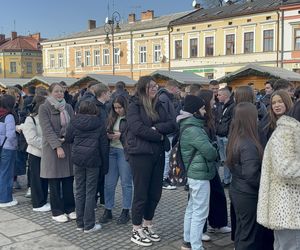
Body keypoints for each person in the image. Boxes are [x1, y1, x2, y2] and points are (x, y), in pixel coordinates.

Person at [126, 76, 176, 247]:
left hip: (158, 153)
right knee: (141, 193)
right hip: (140, 154)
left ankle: (147, 224)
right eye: (150, 87)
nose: (154, 89)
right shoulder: (134, 105)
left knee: (155, 192)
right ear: (142, 89)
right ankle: (136, 228)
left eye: (155, 86)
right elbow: (136, 128)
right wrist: (159, 135)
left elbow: (172, 124)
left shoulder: (159, 104)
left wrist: (157, 128)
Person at [257, 101, 300, 250]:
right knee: (291, 245)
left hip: (288, 204)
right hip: (287, 205)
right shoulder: (287, 133)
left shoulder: (289, 130)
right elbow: (286, 169)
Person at [178, 95, 218, 250]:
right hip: (199, 175)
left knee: (192, 209)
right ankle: (196, 246)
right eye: (202, 108)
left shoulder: (188, 125)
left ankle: (188, 240)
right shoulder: (194, 129)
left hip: (194, 174)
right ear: (195, 111)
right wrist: (214, 148)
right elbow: (210, 153)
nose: (204, 111)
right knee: (200, 212)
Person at [65, 100, 108, 233]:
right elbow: (103, 146)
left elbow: (68, 138)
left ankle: (80, 223)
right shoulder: (100, 123)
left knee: (79, 190)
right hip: (93, 160)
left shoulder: (74, 121)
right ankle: (89, 225)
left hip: (78, 159)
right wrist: (105, 165)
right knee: (90, 192)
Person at [226, 102, 265, 250]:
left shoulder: (235, 137)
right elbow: (251, 174)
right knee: (248, 234)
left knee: (242, 230)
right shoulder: (248, 143)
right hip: (247, 193)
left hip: (238, 189)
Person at [39, 83, 76, 223]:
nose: (60, 94)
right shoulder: (44, 108)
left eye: (61, 91)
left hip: (67, 146)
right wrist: (57, 146)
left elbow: (73, 125)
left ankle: (70, 208)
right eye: (56, 91)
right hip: (52, 149)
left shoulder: (68, 107)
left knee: (68, 179)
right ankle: (57, 211)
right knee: (54, 181)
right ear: (50, 93)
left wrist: (67, 138)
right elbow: (47, 130)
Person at [197, 90, 231, 239]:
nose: (214, 100)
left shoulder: (211, 115)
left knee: (217, 192)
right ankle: (200, 229)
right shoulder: (199, 118)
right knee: (200, 198)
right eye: (212, 98)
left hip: (211, 162)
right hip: (201, 163)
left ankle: (218, 223)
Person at [99, 95, 133, 225]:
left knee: (126, 182)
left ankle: (126, 210)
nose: (118, 110)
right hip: (111, 150)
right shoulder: (112, 116)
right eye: (115, 108)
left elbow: (134, 133)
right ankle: (108, 209)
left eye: (120, 107)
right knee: (109, 183)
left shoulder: (130, 118)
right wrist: (108, 135)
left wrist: (122, 135)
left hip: (124, 151)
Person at [21, 95, 50, 212]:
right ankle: (37, 203)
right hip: (36, 154)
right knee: (36, 180)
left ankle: (43, 201)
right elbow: (31, 139)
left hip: (46, 154)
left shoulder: (46, 118)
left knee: (44, 179)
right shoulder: (30, 119)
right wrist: (47, 145)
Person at [158, 80, 181, 190]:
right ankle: (163, 179)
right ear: (173, 88)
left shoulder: (166, 97)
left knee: (168, 155)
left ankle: (165, 177)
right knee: (167, 156)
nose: (178, 91)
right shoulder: (163, 98)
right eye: (177, 88)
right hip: (168, 132)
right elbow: (163, 116)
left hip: (170, 131)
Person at [0, 95, 18, 207]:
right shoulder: (9, 116)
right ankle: (5, 199)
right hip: (8, 148)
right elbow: (10, 135)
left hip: (1, 146)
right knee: (6, 173)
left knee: (2, 172)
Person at [216, 87, 235, 186]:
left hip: (226, 137)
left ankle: (227, 180)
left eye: (219, 95)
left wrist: (228, 135)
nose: (217, 96)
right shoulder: (220, 105)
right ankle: (225, 178)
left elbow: (232, 122)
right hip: (219, 136)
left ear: (226, 95)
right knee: (223, 160)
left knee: (228, 160)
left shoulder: (233, 106)